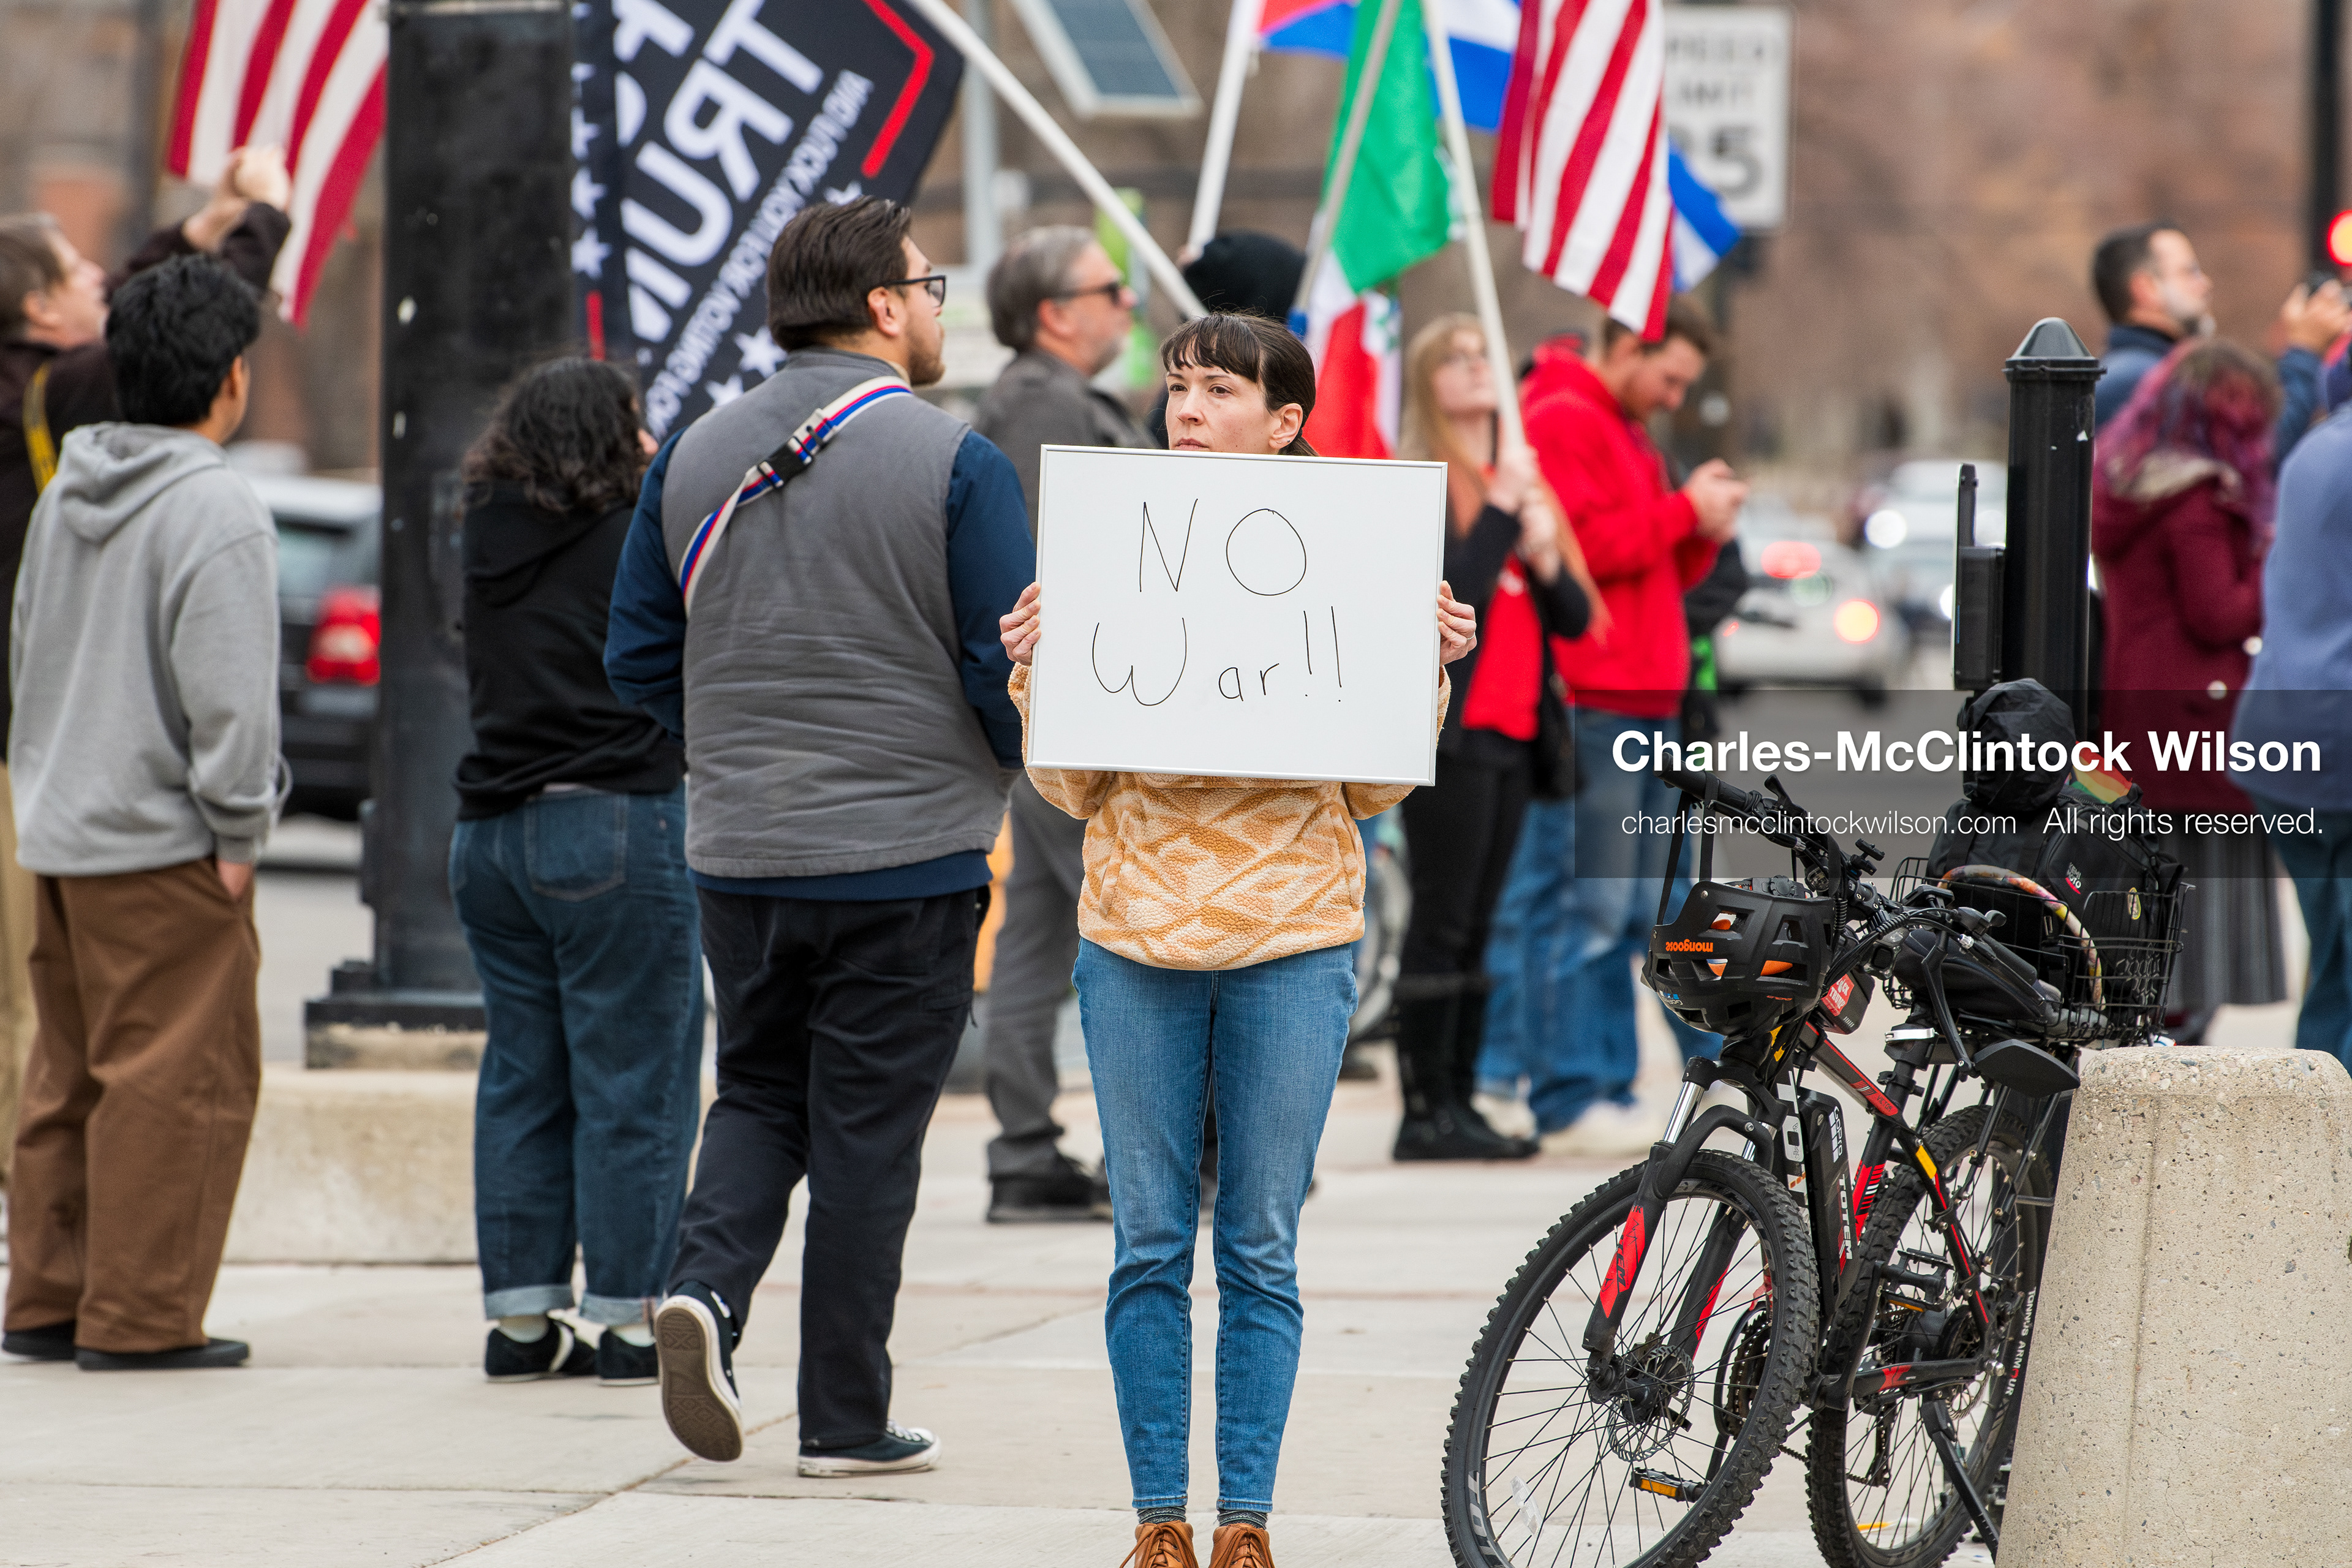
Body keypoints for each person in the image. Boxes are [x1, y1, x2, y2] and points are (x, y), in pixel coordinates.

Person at [997, 311, 1475, 1568]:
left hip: (1295, 937)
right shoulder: (1108, 543)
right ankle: (1161, 1515)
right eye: (1177, 388)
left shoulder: (1357, 553)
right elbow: (1073, 788)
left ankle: (1246, 1519)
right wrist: (1037, 673)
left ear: (1287, 422)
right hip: (1135, 936)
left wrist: (1423, 669)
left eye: (1219, 389)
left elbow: (1372, 794)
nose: (1189, 409)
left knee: (1259, 1243)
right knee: (1150, 1238)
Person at [605, 197, 1032, 1476]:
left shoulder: (690, 452)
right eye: (932, 284)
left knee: (757, 1090)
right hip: (909, 857)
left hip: (740, 848)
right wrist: (1000, 763)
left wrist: (739, 738)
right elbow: (1000, 665)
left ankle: (706, 1291)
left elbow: (635, 655)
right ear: (887, 306)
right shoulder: (958, 462)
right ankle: (845, 1417)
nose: (943, 304)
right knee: (867, 1138)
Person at [0, 255, 286, 1369]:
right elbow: (229, 704)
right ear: (228, 380)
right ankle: (142, 1320)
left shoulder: (73, 486)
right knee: (182, 1084)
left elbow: (27, 654)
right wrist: (238, 834)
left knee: (66, 1076)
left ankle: (46, 1301)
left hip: (64, 826)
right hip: (166, 845)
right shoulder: (216, 504)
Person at [449, 358, 700, 1384]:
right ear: (609, 437)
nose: (649, 443)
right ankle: (630, 1319)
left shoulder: (480, 533)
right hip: (614, 821)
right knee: (634, 1077)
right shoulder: (631, 534)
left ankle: (519, 1320)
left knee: (522, 1072)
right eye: (635, 426)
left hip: (491, 835)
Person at [1501, 298, 1743, 1150]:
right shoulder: (1563, 415)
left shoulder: (1621, 423)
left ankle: (1596, 1082)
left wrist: (1700, 528)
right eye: (1670, 376)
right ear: (1628, 346)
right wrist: (1684, 515)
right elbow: (1580, 552)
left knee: (1638, 904)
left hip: (1641, 697)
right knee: (1591, 907)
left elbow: (1653, 572)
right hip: (1598, 696)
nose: (1675, 396)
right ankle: (1572, 1092)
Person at [1389, 314, 1595, 1161]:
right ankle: (1422, 1108)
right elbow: (1453, 593)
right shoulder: (1430, 482)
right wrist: (1503, 512)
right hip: (1454, 731)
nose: (1479, 369)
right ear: (1428, 381)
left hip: (1516, 734)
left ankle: (1461, 1098)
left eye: (1485, 355)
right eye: (1458, 359)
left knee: (1481, 923)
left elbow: (1577, 620)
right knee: (1441, 920)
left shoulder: (1515, 480)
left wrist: (1544, 551)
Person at [970, 224, 1144, 1221]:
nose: (1126, 304)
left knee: (1038, 929)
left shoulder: (1052, 402)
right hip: (1070, 708)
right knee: (1123, 921)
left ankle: (1025, 1153)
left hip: (1057, 708)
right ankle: (1137, 1153)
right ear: (1055, 313)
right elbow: (1065, 567)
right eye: (1109, 289)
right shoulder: (1042, 408)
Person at [2094, 339, 2287, 1039]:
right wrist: (2275, 560)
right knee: (2202, 924)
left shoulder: (2130, 482)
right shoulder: (2196, 500)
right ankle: (2174, 1046)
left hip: (2140, 717)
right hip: (2198, 724)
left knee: (2160, 905)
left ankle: (2160, 1033)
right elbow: (2219, 613)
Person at [2236, 401, 2352, 1068]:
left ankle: (2316, 1138)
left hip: (2282, 743)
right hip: (2335, 742)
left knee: (2332, 961)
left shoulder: (2314, 450)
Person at [2089, 221, 2346, 464]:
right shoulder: (2145, 379)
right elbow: (2256, 460)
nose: (2205, 285)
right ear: (2146, 289)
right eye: (2190, 273)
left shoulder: (2134, 372)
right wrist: (2305, 350)